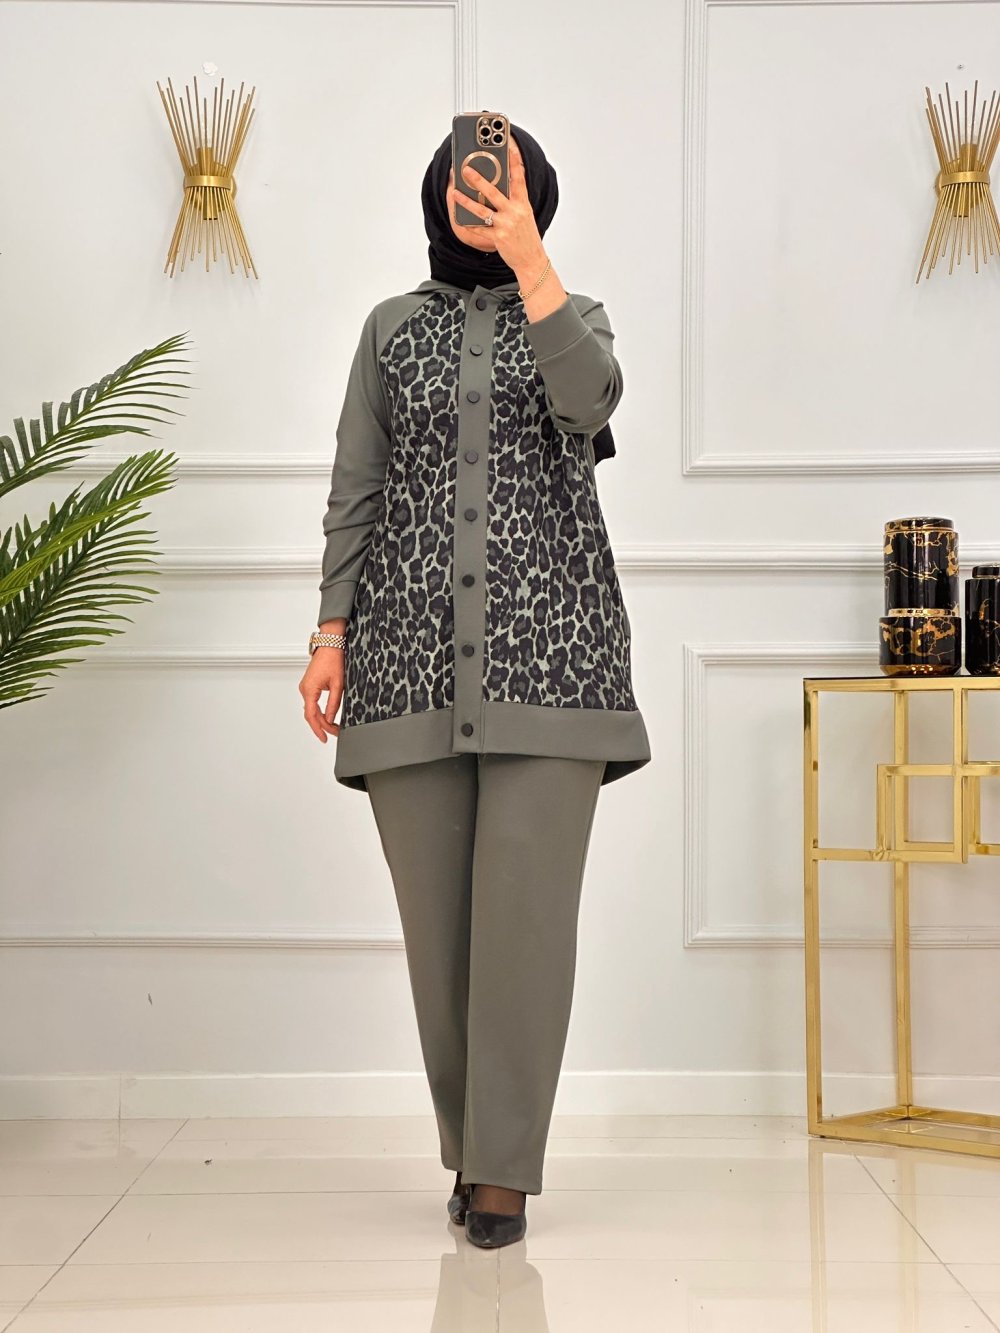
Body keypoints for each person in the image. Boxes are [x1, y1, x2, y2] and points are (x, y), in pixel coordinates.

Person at [299, 120, 651, 1248]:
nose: (484, 197)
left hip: (557, 664)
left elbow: (589, 404)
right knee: (439, 939)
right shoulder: (388, 330)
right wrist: (330, 633)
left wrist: (528, 259)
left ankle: (501, 1178)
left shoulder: (575, 314)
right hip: (402, 661)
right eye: (468, 183)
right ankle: (472, 1149)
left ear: (535, 194)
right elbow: (356, 482)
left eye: (505, 184)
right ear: (435, 196)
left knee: (525, 931)